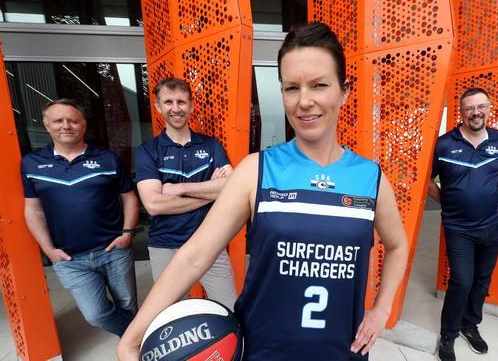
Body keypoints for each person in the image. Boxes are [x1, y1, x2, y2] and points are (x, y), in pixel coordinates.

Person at [117, 22, 408, 360]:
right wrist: (132, 338)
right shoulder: (257, 170)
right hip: (262, 351)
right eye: (291, 88)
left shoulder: (369, 177)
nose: (304, 101)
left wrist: (380, 310)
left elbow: (398, 245)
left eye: (319, 85)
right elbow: (195, 256)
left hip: (341, 351)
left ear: (344, 91)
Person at [21, 99, 139, 336]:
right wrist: (49, 250)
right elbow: (33, 210)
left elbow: (129, 198)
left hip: (113, 249)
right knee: (96, 313)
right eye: (58, 120)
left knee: (127, 305)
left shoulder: (107, 159)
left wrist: (127, 233)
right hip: (70, 258)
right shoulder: (32, 164)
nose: (66, 126)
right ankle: (140, 337)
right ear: (47, 125)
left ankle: (134, 345)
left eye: (73, 120)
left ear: (83, 125)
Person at [135, 77, 237, 309]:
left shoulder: (211, 145)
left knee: (229, 310)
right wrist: (209, 191)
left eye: (181, 102)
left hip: (209, 241)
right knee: (169, 314)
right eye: (168, 102)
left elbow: (230, 187)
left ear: (191, 106)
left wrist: (178, 189)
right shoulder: (148, 151)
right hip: (165, 244)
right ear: (158, 107)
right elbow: (154, 205)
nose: (176, 108)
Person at [428, 87, 498, 361]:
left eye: (481, 107)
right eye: (469, 108)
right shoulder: (443, 144)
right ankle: (449, 334)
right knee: (461, 281)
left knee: (481, 280)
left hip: (492, 226)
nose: (475, 112)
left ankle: (470, 324)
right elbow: (428, 181)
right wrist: (448, 202)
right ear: (461, 112)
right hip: (458, 228)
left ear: (489, 108)